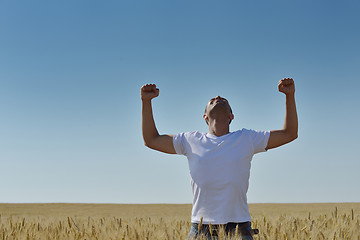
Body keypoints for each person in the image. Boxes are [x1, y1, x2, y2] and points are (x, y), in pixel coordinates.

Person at [140, 78, 298, 240]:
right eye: (212, 101)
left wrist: (290, 96)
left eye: (223, 101)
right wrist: (146, 102)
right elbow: (151, 140)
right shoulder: (190, 140)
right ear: (205, 117)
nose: (217, 98)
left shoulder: (247, 138)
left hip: (240, 228)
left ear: (231, 116)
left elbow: (289, 134)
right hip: (201, 230)